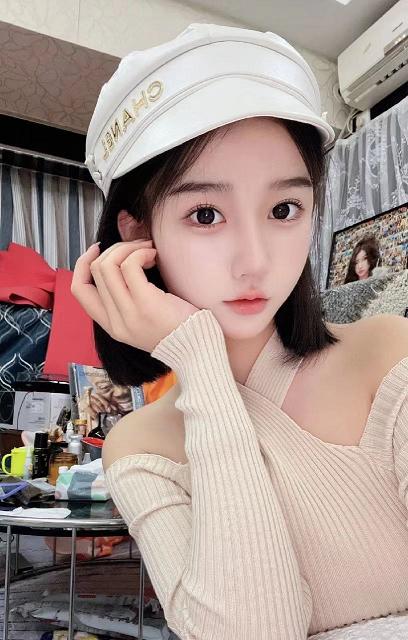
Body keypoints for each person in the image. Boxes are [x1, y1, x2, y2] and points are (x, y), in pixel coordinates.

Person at [71, 24, 408, 640]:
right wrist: (200, 365)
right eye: (206, 214)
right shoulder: (141, 449)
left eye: (284, 210)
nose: (255, 260)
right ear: (138, 234)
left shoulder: (389, 353)